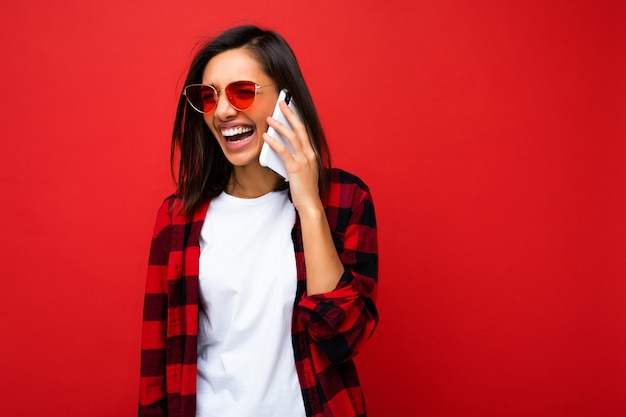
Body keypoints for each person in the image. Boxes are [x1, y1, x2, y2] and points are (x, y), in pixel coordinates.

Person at [138, 25, 379, 417]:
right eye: (209, 96)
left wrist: (309, 205)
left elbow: (341, 339)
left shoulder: (345, 200)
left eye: (242, 91)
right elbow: (156, 364)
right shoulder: (176, 218)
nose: (224, 110)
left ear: (287, 99)